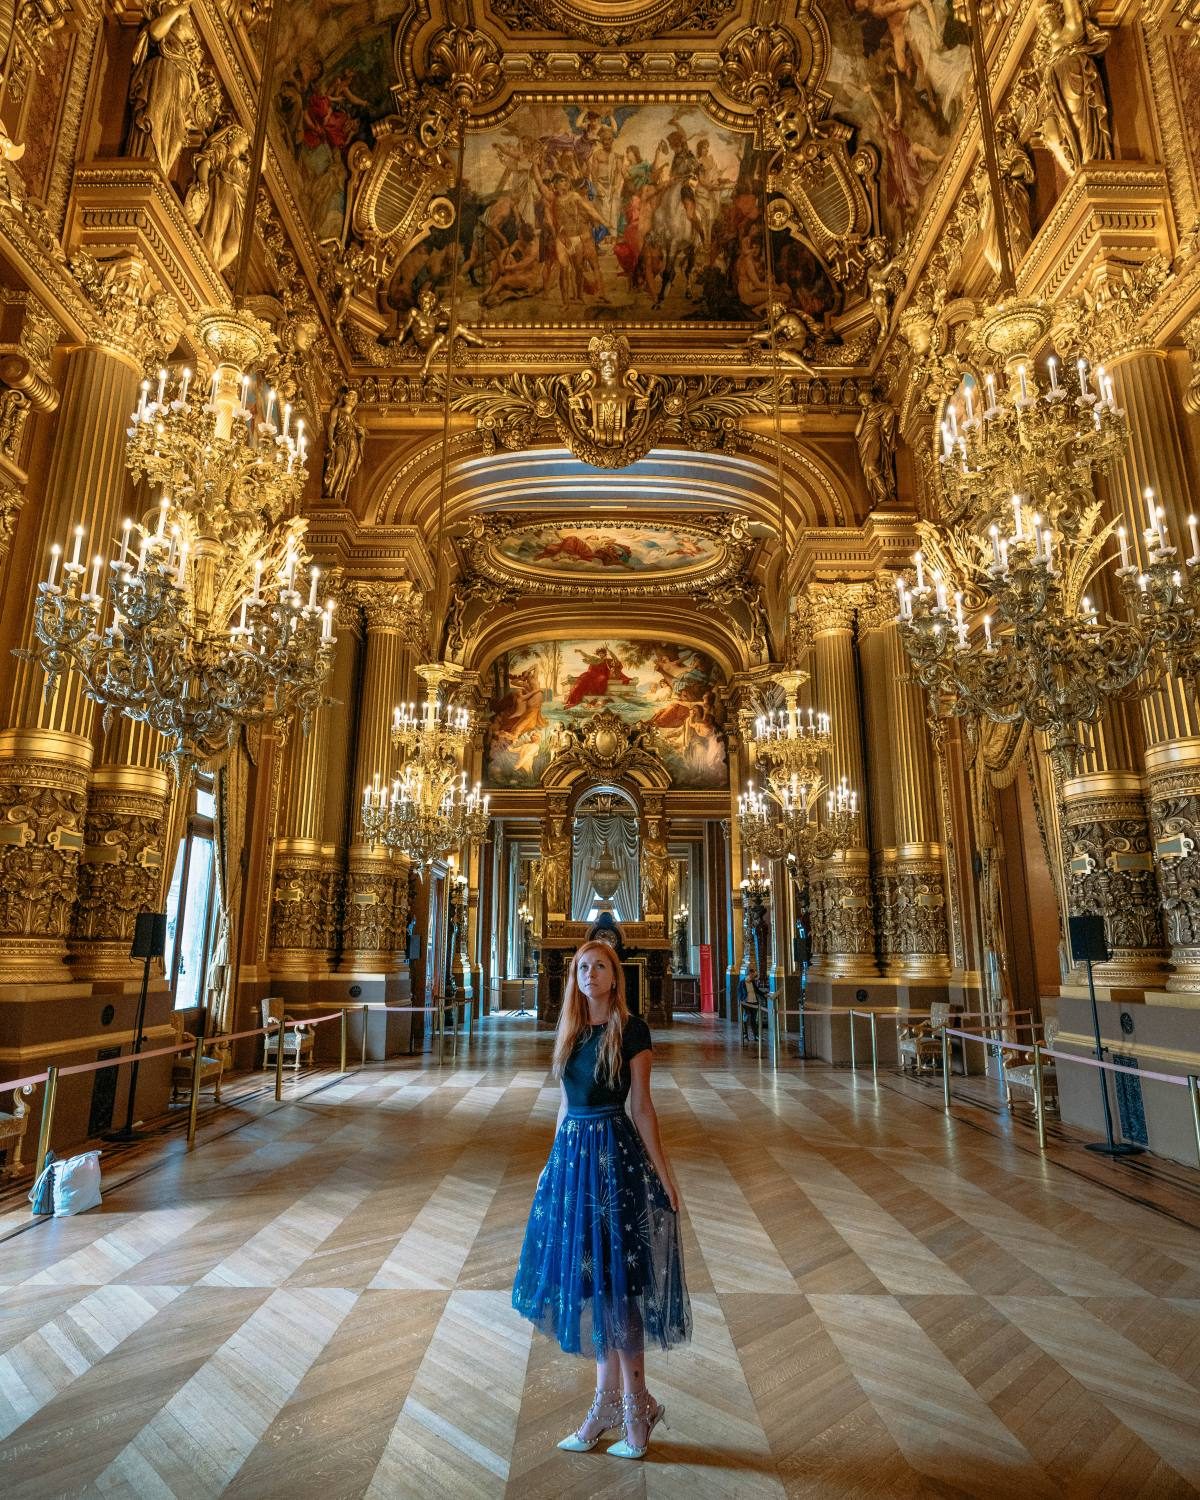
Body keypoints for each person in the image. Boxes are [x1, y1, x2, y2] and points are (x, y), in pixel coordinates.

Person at [512, 942, 691, 1461]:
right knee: (592, 1285)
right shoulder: (567, 1030)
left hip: (615, 1163)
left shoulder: (631, 1030)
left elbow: (644, 1108)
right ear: (576, 977)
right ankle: (610, 1405)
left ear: (616, 976)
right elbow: (565, 1105)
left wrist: (665, 1173)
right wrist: (551, 1163)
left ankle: (632, 1407)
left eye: (600, 967)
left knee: (620, 1288)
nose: (590, 974)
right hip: (573, 1164)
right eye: (582, 968)